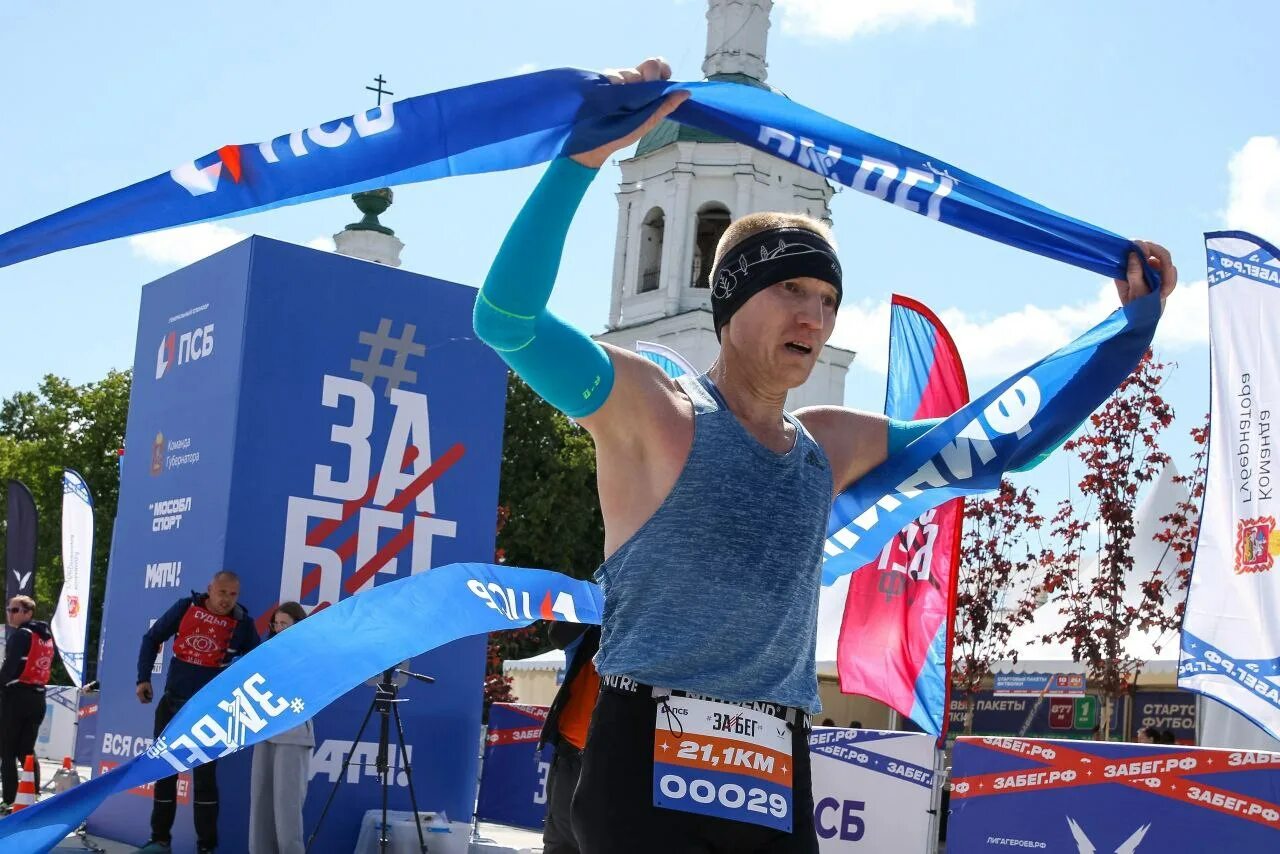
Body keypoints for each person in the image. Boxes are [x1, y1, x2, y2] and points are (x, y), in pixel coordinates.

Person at [473, 58, 1177, 853]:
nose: (816, 315)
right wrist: (582, 161)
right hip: (644, 750)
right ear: (732, 301)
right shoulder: (653, 411)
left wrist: (1127, 335)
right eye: (793, 291)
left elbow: (1001, 440)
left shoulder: (832, 442)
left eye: (830, 300)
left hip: (773, 759)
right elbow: (507, 321)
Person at [136, 571, 259, 854]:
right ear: (210, 589)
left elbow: (256, 664)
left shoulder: (243, 624)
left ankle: (206, 847)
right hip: (173, 704)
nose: (227, 599)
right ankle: (160, 840)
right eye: (222, 592)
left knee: (204, 781)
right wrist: (143, 678)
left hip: (211, 714)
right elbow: (152, 638)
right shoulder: (185, 607)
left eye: (233, 594)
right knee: (164, 773)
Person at [249, 602, 313, 854]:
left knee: (287, 813)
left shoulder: (309, 655)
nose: (278, 628)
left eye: (284, 623)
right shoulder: (266, 654)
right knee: (261, 810)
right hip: (265, 734)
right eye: (276, 624)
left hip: (293, 737)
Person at [537, 623, 601, 854]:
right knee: (562, 842)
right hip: (571, 753)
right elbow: (558, 634)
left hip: (615, 758)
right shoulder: (591, 632)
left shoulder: (645, 636)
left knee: (605, 839)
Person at [0, 595, 55, 811]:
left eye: (15, 610)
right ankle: (34, 794)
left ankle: (11, 800)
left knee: (7, 750)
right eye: (9, 609)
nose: (10, 613)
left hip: (16, 696)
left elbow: (10, 668)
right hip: (38, 697)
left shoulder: (21, 635)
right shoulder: (45, 636)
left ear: (28, 613)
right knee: (26, 750)